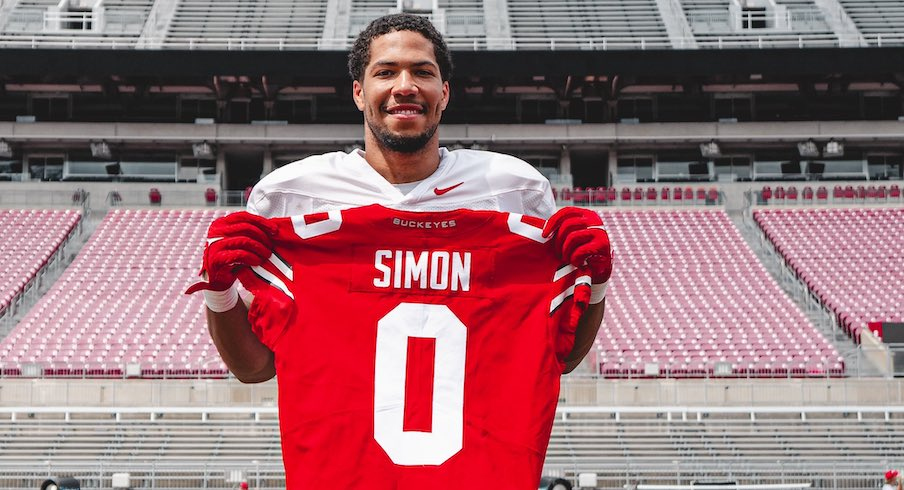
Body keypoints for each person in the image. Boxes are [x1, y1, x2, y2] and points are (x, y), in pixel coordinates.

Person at [195, 13, 611, 383]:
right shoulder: (291, 194)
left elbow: (562, 356)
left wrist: (596, 286)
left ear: (444, 93)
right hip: (342, 464)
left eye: (422, 72)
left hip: (476, 461)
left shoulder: (513, 189)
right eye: (386, 72)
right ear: (359, 92)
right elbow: (254, 368)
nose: (405, 86)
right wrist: (220, 292)